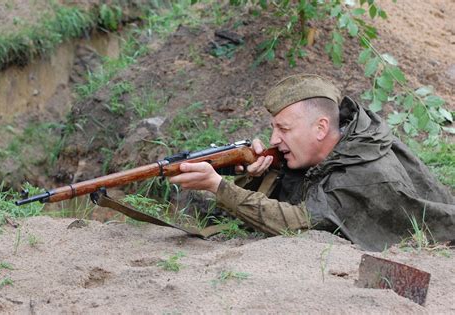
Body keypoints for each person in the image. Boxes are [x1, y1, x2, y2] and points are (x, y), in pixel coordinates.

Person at [169, 74, 455, 251]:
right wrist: (259, 171)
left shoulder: (361, 172)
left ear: (320, 128)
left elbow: (297, 223)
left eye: (284, 129)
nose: (274, 138)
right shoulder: (336, 143)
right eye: (273, 128)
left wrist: (219, 187)